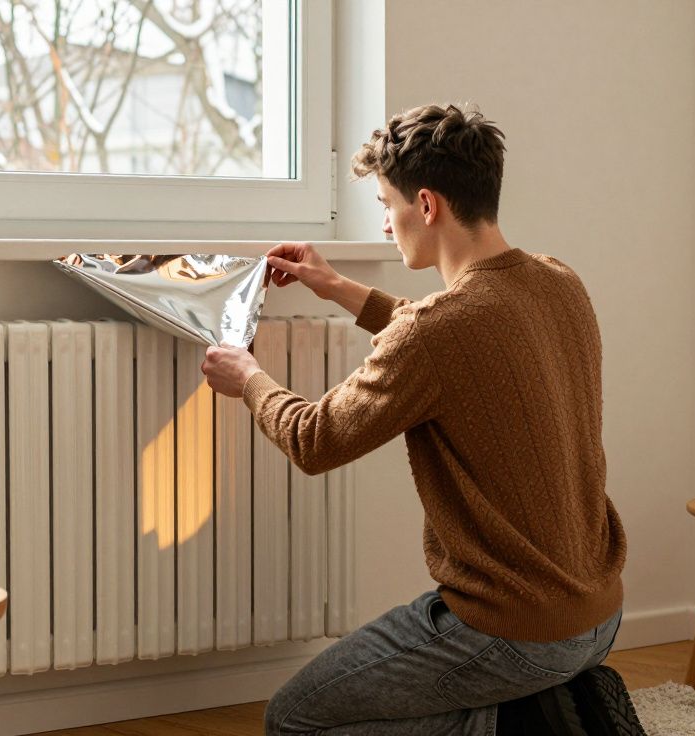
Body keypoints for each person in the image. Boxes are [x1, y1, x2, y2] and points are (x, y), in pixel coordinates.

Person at [200, 103, 646, 735]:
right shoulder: (557, 281)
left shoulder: (438, 332)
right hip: (599, 617)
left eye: (387, 204)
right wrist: (338, 288)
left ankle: (520, 726)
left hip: (512, 631)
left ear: (428, 205)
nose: (386, 224)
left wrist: (247, 380)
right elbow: (459, 345)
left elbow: (316, 439)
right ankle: (549, 704)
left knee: (294, 719)